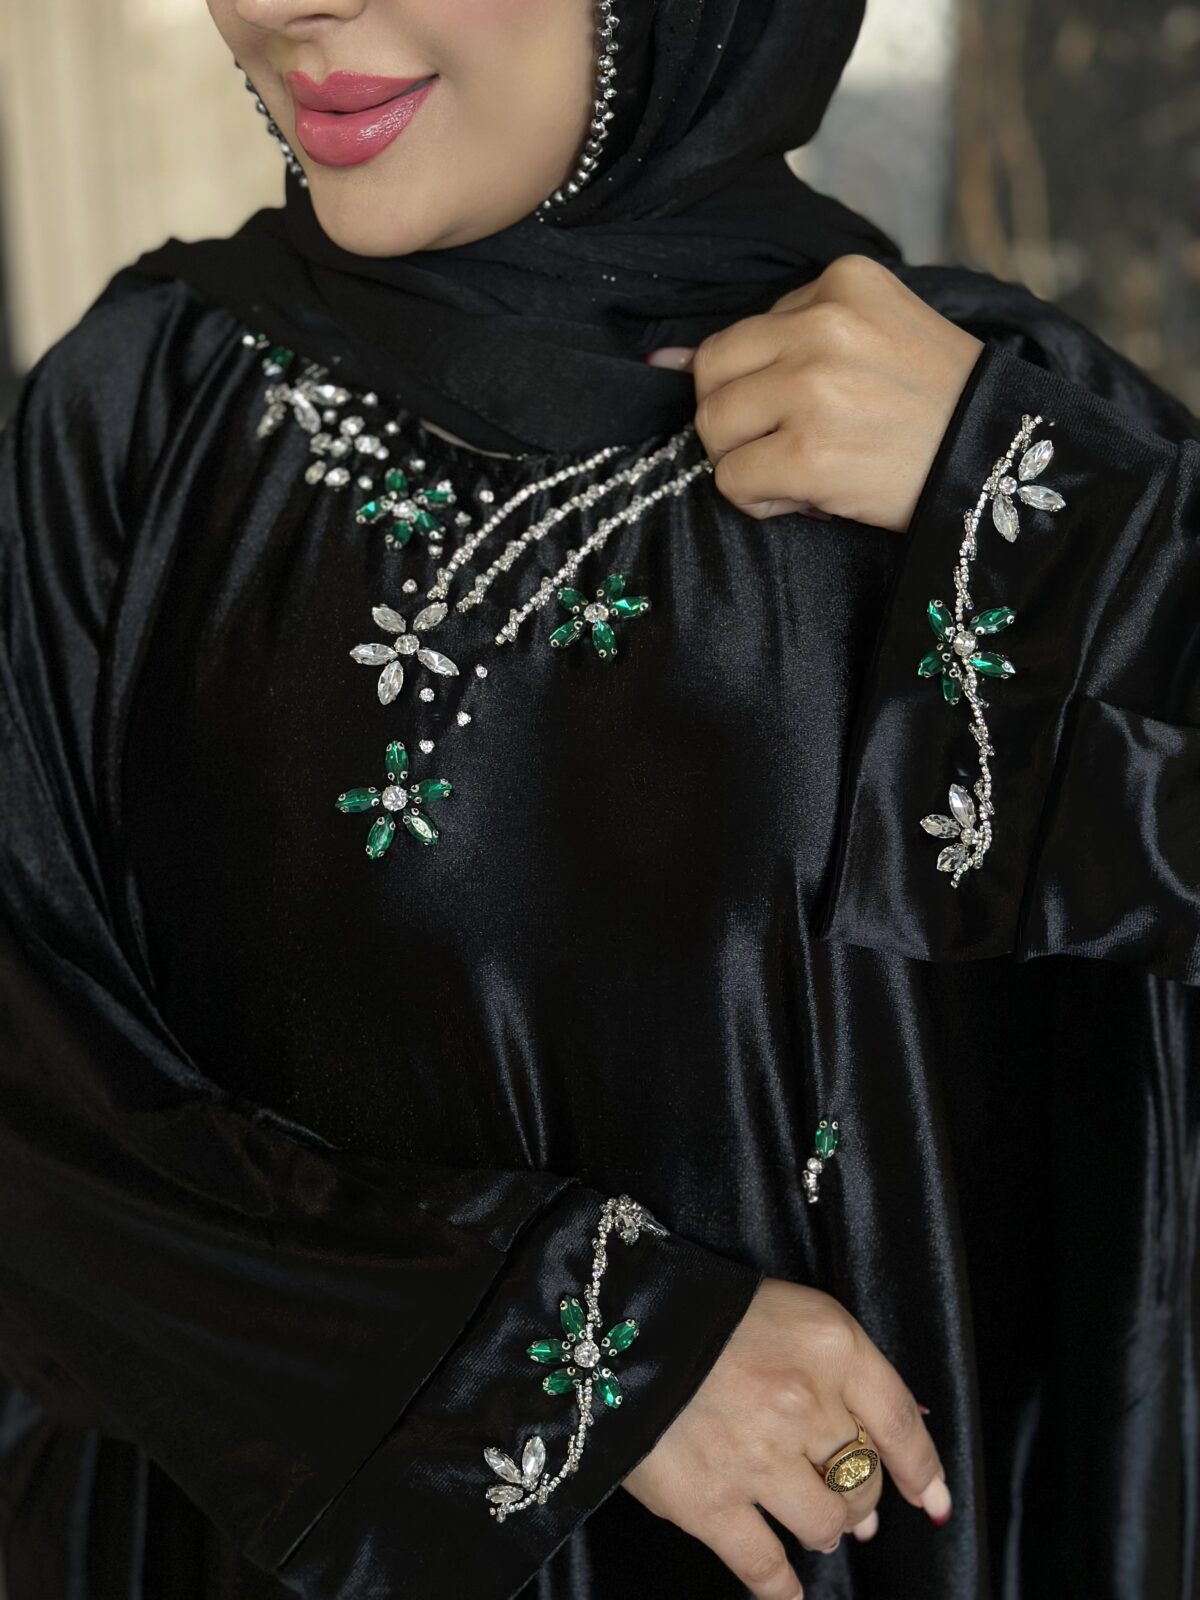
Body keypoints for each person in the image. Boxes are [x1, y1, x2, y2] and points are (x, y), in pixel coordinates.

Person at [0, 0, 1195, 1595]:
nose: (285, 3)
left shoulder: (1008, 441)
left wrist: (1076, 524)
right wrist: (569, 1355)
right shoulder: (143, 419)